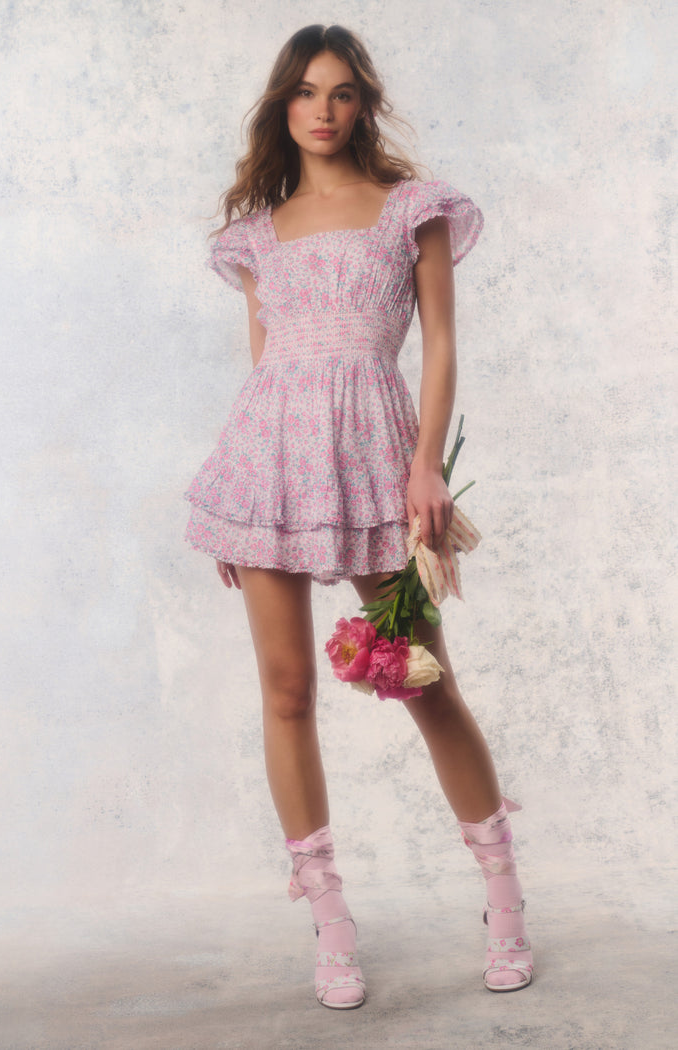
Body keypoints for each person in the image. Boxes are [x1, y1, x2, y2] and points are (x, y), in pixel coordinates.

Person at [185, 24, 533, 1009]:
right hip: (272, 467)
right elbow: (266, 370)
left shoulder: (408, 210)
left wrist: (424, 469)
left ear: (361, 103)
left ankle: (503, 899)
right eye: (305, 92)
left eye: (340, 93)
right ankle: (331, 924)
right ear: (282, 107)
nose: (324, 110)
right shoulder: (256, 234)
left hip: (379, 462)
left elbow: (439, 350)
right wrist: (240, 504)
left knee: (422, 680)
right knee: (287, 691)